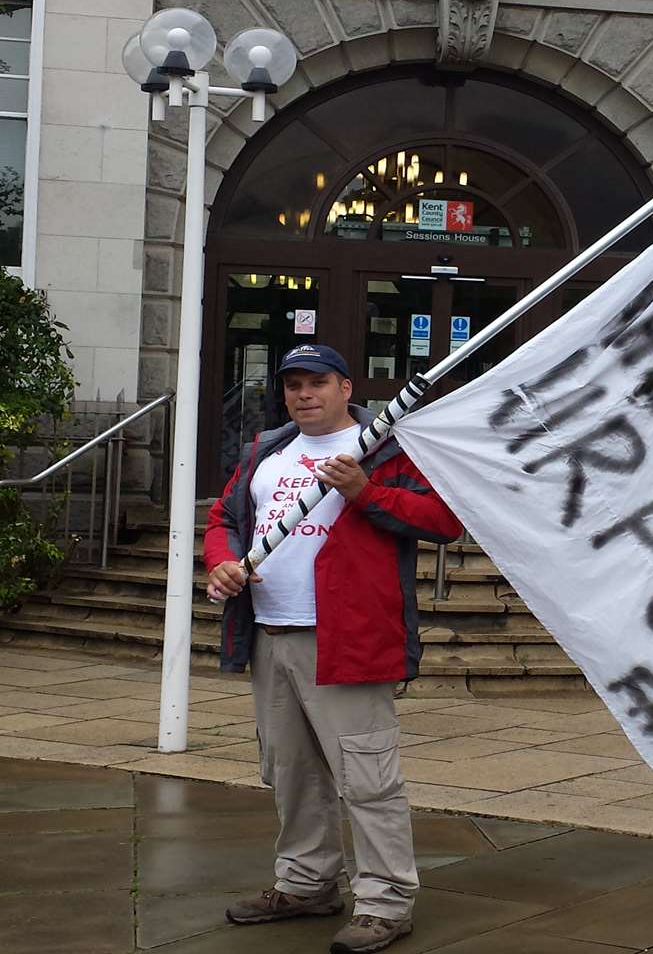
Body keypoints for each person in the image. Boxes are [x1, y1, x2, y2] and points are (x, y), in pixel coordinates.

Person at [203, 343, 461, 954]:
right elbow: (224, 519)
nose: (303, 394)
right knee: (290, 773)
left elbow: (445, 520)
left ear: (346, 388)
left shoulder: (386, 448)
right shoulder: (266, 450)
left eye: (317, 382)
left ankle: (386, 903)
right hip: (270, 637)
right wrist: (222, 565)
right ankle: (306, 883)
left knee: (366, 777)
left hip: (348, 639)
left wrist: (365, 491)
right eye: (293, 384)